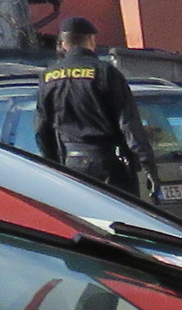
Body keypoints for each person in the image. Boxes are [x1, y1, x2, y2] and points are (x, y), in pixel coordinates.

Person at [35, 18, 154, 199]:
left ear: (64, 44)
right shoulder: (105, 72)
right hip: (108, 166)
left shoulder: (47, 76)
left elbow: (41, 129)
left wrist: (54, 165)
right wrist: (147, 166)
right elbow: (129, 124)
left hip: (70, 165)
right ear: (91, 39)